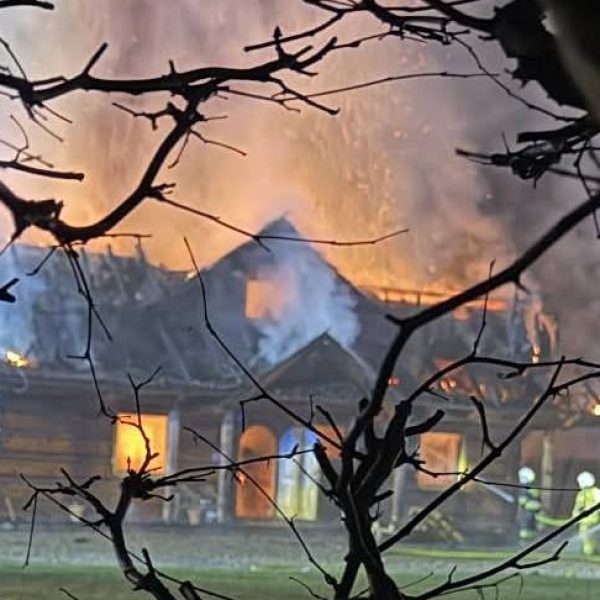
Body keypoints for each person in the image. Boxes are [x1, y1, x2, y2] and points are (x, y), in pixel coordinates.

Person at [572, 471, 600, 556]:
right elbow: (578, 506)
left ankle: (589, 550)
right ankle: (591, 549)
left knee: (586, 534)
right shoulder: (595, 491)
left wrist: (575, 515)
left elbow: (578, 506)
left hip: (588, 519)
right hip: (592, 518)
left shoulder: (583, 493)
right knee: (591, 534)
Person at [517, 466, 542, 541]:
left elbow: (522, 500)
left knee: (527, 523)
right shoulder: (532, 486)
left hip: (529, 510)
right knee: (530, 523)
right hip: (532, 510)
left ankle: (527, 535)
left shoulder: (525, 487)